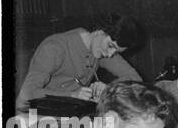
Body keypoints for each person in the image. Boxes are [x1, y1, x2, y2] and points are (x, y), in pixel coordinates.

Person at [16, 14, 144, 111]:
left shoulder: (100, 50)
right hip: (34, 117)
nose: (110, 54)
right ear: (100, 30)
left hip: (70, 116)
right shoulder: (55, 47)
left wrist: (109, 88)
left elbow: (135, 79)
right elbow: (26, 95)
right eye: (111, 46)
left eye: (116, 52)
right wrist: (72, 95)